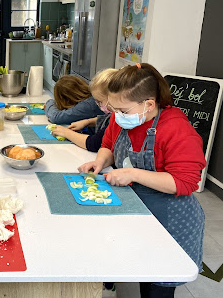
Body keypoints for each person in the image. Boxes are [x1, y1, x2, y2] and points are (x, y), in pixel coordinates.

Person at [78, 63, 205, 298]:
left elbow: (185, 183)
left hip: (170, 220)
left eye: (123, 110)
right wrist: (100, 162)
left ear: (148, 104)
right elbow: (108, 144)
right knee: (139, 266)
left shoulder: (177, 129)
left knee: (156, 287)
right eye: (114, 109)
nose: (117, 116)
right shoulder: (123, 118)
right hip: (138, 210)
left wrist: (133, 174)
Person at [50, 69, 117, 152]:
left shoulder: (88, 105)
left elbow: (94, 143)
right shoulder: (117, 114)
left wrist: (66, 133)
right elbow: (108, 119)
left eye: (100, 102)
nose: (98, 105)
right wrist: (87, 122)